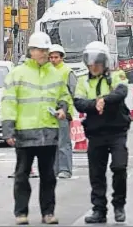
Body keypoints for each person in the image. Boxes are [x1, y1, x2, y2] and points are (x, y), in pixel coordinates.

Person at [1, 32, 70, 225]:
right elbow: (8, 103)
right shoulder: (18, 74)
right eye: (41, 50)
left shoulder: (55, 74)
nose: (44, 54)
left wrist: (63, 108)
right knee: (22, 175)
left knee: (49, 176)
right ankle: (21, 213)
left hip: (48, 132)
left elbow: (64, 96)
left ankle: (48, 213)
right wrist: (8, 129)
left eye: (46, 50)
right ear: (31, 51)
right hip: (25, 133)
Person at [73, 41, 130, 224]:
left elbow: (121, 92)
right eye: (90, 63)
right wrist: (94, 104)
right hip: (95, 133)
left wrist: (104, 100)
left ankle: (119, 205)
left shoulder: (116, 76)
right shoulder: (82, 81)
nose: (93, 66)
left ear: (104, 62)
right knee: (96, 173)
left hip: (116, 132)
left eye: (97, 62)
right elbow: (79, 102)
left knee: (119, 167)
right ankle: (99, 210)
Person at [49, 44, 77, 179]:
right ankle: (54, 169)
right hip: (48, 113)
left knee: (63, 142)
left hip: (63, 113)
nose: (53, 60)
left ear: (61, 58)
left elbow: (72, 92)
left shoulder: (67, 71)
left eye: (56, 57)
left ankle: (65, 169)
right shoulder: (46, 72)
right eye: (51, 57)